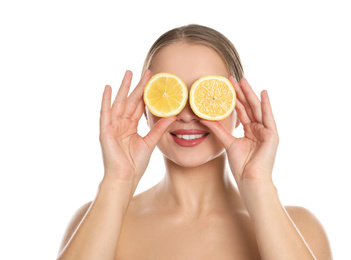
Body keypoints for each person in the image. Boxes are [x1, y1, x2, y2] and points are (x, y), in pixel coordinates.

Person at [57, 24, 332, 259]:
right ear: (146, 105)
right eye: (170, 92)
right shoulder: (102, 220)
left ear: (237, 106)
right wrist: (118, 179)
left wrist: (258, 182)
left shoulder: (301, 227)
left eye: (206, 95)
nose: (187, 114)